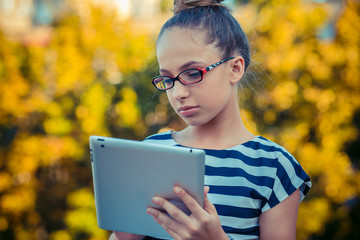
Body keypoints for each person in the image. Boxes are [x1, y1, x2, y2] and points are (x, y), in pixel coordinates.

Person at [111, 0, 311, 239]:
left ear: (235, 68)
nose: (178, 93)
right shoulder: (150, 153)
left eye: (192, 73)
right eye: (168, 79)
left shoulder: (274, 167)